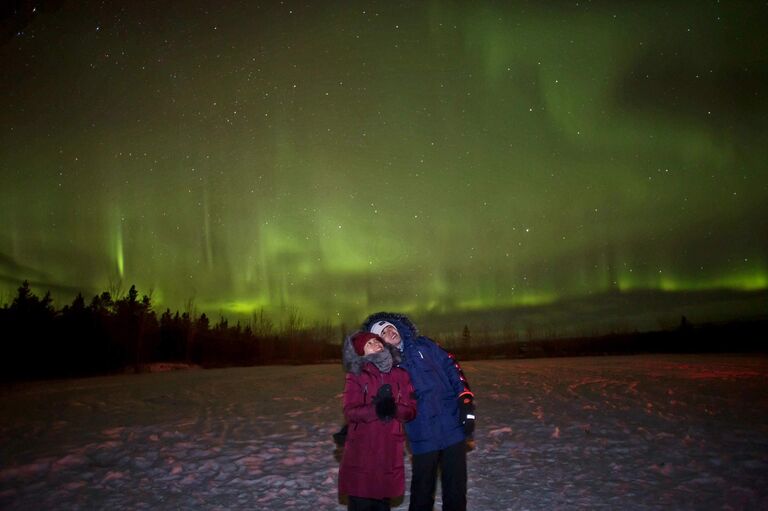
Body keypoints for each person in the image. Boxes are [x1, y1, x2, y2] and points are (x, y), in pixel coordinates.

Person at [363, 312, 475, 511]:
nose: (390, 332)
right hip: (422, 433)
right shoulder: (383, 368)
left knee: (456, 491)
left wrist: (464, 398)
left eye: (391, 327)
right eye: (383, 332)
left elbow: (451, 366)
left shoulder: (424, 345)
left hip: (451, 425)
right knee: (422, 493)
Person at [338, 331, 417, 511]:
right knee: (361, 502)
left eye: (377, 341)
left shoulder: (400, 374)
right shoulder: (356, 375)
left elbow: (411, 410)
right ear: (361, 353)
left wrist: (395, 408)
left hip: (389, 449)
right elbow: (350, 412)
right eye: (370, 343)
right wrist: (376, 409)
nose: (377, 344)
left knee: (383, 504)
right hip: (363, 451)